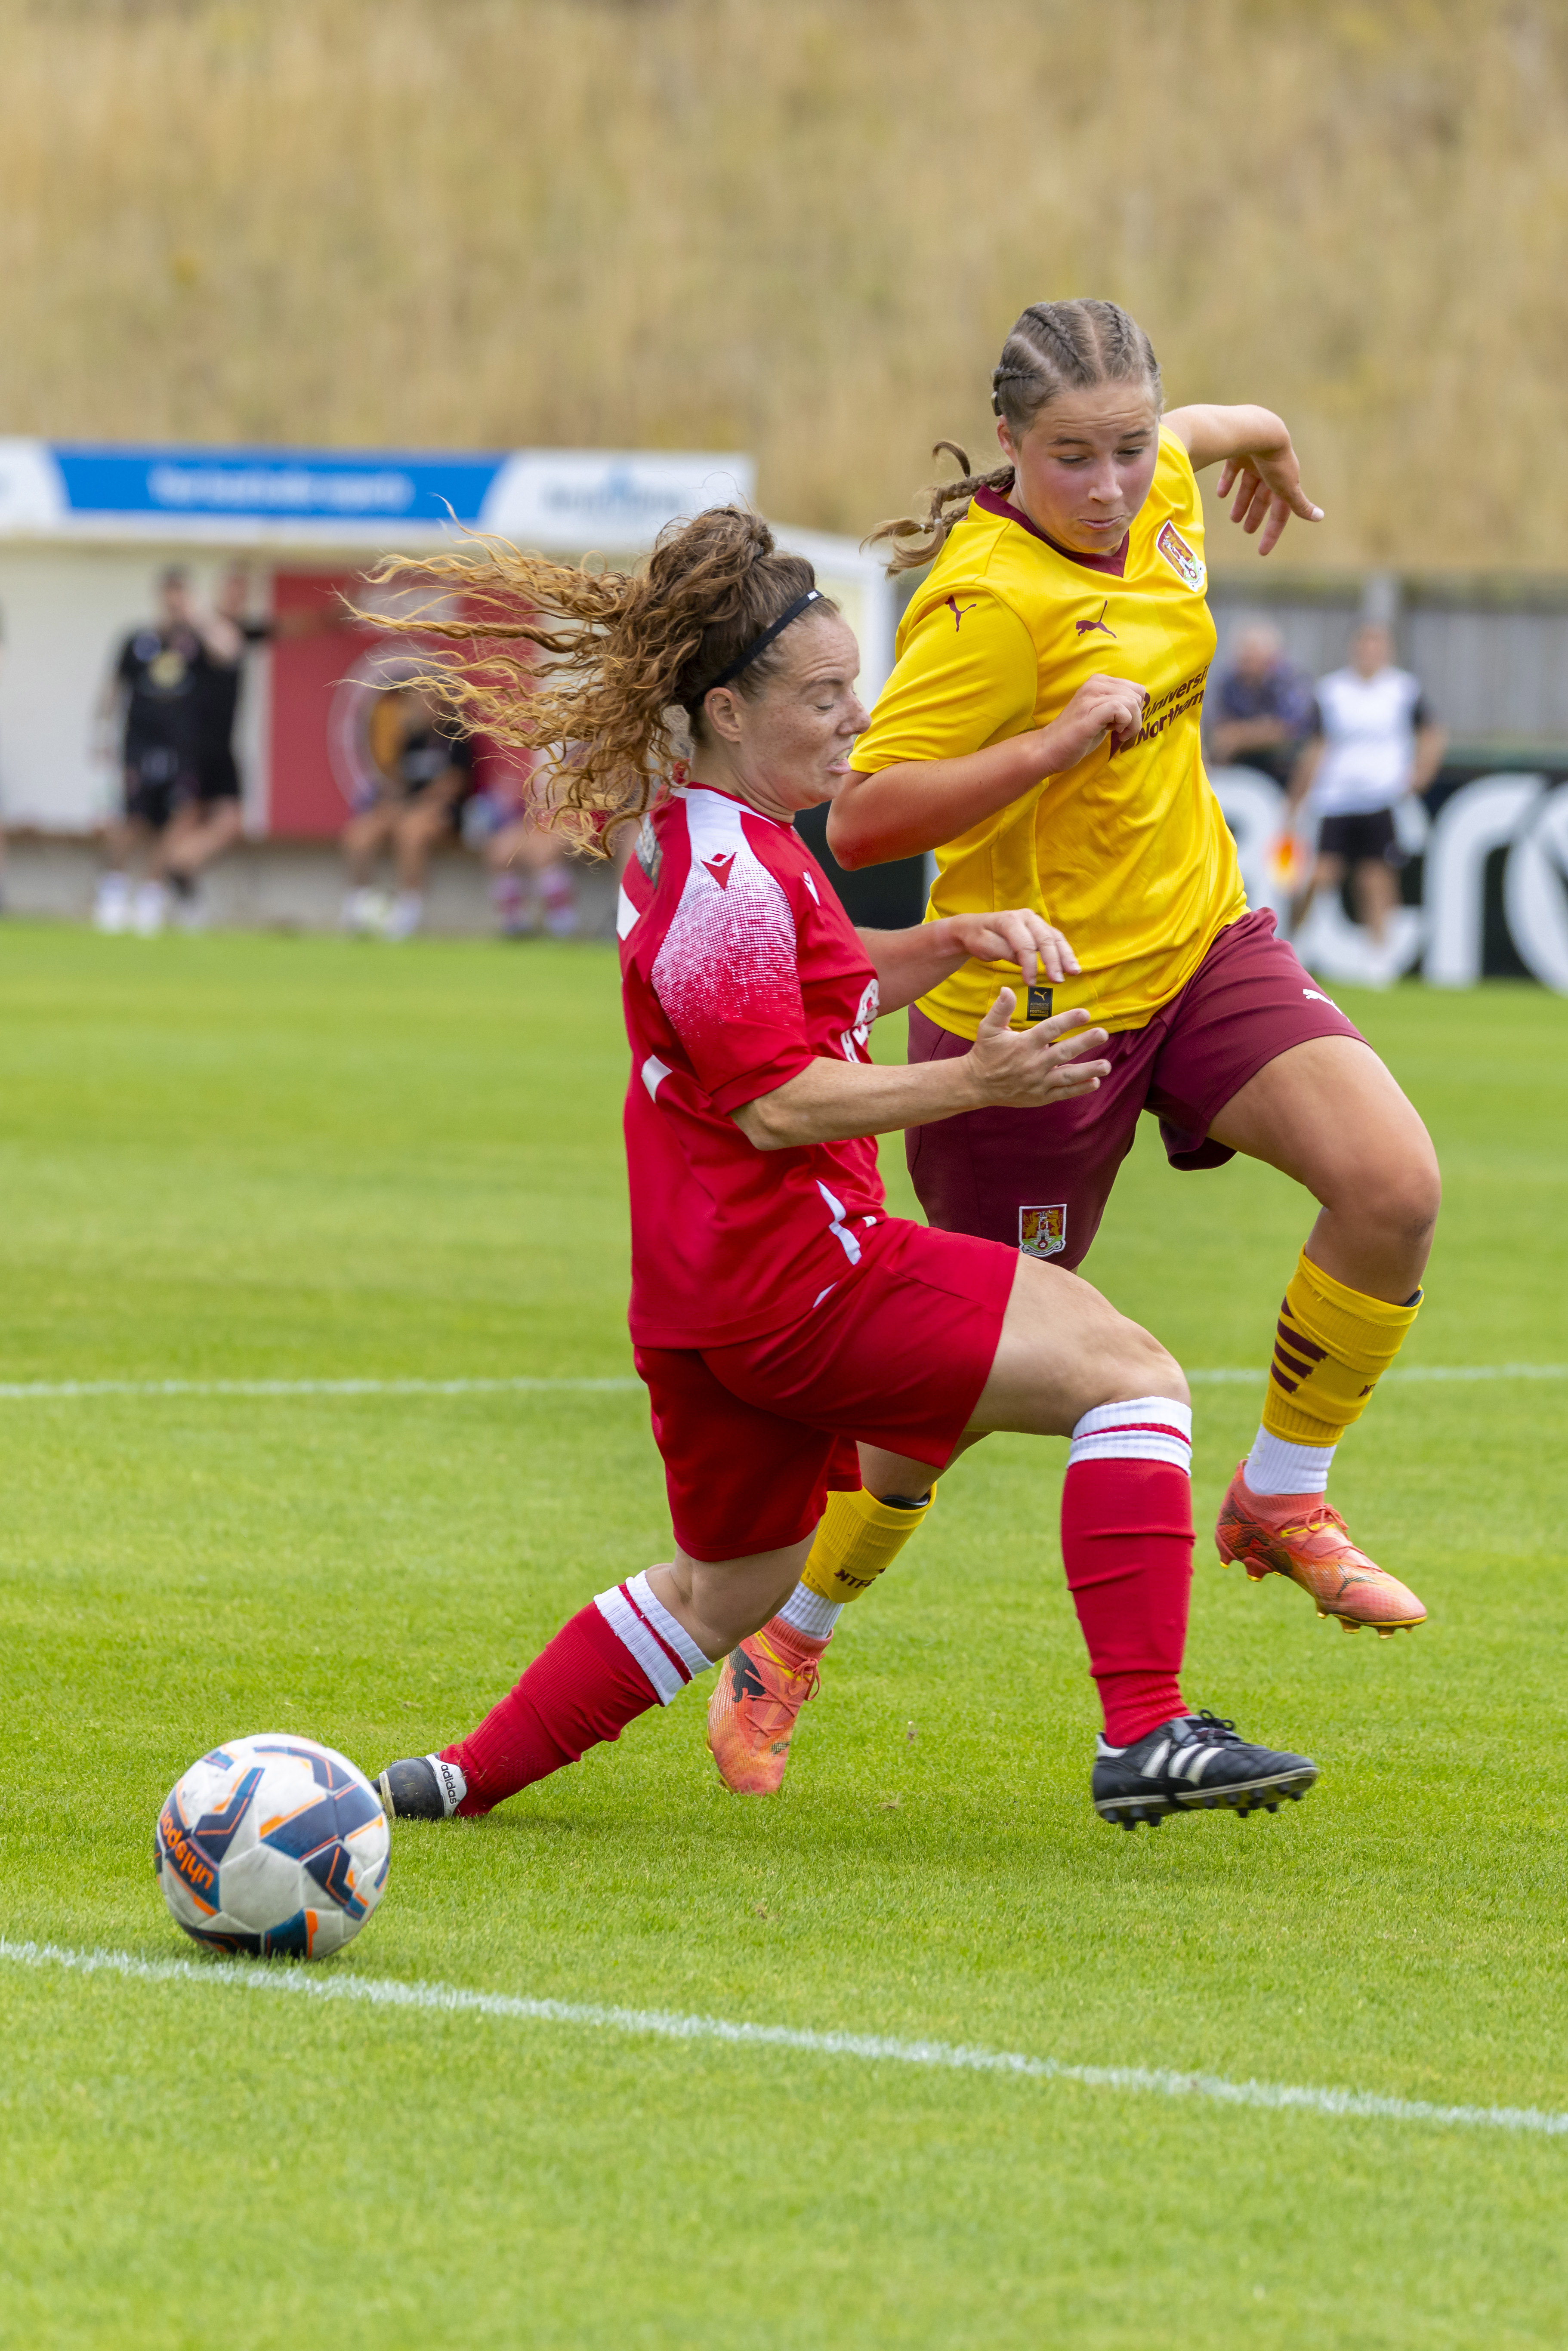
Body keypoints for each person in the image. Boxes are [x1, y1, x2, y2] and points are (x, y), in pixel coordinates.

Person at [370, 507, 1317, 1833]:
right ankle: (1145, 1731)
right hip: (801, 1274)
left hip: (703, 1295)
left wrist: (952, 937)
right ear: (723, 709)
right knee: (1131, 1380)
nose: (852, 715)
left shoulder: (710, 837)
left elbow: (809, 990)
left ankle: (450, 1780)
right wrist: (973, 1082)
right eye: (820, 696)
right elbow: (776, 1102)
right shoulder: (729, 879)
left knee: (728, 1589)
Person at [714, 299, 1440, 1795]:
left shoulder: (1160, 477)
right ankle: (786, 1633)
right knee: (939, 1408)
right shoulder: (987, 603)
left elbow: (1204, 431)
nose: (1108, 486)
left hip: (1197, 944)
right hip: (1029, 1024)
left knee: (1390, 1183)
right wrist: (1050, 744)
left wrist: (1271, 436)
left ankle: (1279, 1500)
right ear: (1007, 448)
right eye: (1070, 458)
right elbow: (858, 819)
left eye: (1125, 448)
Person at [93, 566, 241, 935]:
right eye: (170, 594)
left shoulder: (197, 644)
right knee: (132, 820)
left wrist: (197, 617)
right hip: (139, 745)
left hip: (182, 750)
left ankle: (151, 894)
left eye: (181, 595)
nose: (174, 602)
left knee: (176, 821)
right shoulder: (137, 641)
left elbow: (230, 648)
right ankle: (112, 889)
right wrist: (100, 737)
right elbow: (113, 689)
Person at [1288, 621, 1446, 951]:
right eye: (1365, 645)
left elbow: (1432, 733)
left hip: (1381, 799)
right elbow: (1316, 747)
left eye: (1377, 645)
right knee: (1320, 876)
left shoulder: (1404, 690)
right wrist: (1297, 798)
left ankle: (1380, 958)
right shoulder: (1331, 692)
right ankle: (1291, 943)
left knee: (1376, 879)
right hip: (1336, 799)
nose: (1370, 652)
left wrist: (1421, 774)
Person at [339, 681, 475, 939]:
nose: (415, 708)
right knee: (361, 832)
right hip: (407, 808)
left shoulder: (457, 735)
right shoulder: (412, 739)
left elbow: (452, 785)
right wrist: (389, 803)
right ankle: (357, 905)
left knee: (411, 831)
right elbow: (400, 781)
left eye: (422, 701)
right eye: (413, 702)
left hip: (443, 813)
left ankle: (407, 912)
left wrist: (411, 807)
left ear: (439, 704)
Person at [1207, 621, 1314, 788]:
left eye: (1252, 653)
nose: (1246, 659)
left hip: (1282, 770)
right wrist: (1260, 730)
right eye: (1243, 653)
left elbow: (1287, 728)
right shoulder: (1228, 681)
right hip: (1237, 771)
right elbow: (1219, 732)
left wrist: (1239, 736)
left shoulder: (1290, 679)